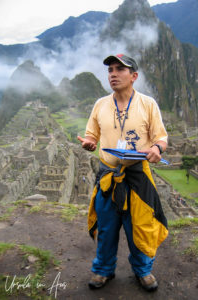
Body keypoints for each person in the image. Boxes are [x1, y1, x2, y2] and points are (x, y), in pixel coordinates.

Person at [77, 54, 168, 292]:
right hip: (108, 176)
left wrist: (157, 148)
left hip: (137, 176)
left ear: (133, 76)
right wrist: (88, 142)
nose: (113, 74)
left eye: (119, 69)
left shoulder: (147, 104)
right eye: (110, 70)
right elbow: (92, 135)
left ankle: (143, 270)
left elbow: (161, 137)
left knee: (140, 226)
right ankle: (103, 269)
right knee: (107, 228)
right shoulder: (100, 105)